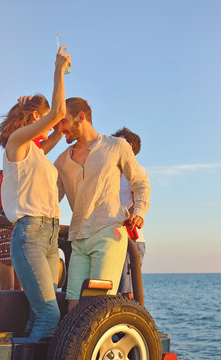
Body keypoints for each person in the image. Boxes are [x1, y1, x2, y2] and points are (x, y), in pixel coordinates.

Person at [0, 47, 70, 338]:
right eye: (41, 116)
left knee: (40, 312)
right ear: (35, 116)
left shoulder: (36, 151)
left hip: (50, 234)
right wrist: (58, 69)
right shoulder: (16, 142)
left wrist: (57, 127)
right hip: (29, 235)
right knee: (49, 314)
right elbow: (58, 113)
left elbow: (56, 129)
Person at [54, 98, 151, 312]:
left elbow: (140, 183)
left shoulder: (116, 146)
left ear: (81, 117)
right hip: (78, 239)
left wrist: (140, 212)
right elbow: (50, 199)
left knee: (98, 306)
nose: (59, 129)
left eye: (63, 122)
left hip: (108, 234)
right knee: (73, 306)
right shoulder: (61, 161)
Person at [112, 127, 148, 299]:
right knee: (114, 291)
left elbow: (139, 197)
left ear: (129, 145)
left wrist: (129, 217)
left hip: (131, 238)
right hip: (111, 236)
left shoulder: (135, 172)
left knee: (127, 292)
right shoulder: (113, 174)